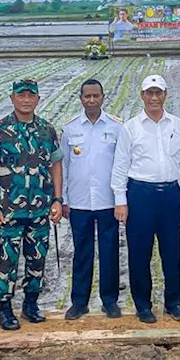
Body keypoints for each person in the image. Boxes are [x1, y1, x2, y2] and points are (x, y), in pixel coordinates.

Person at [111, 74, 180, 322]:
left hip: (170, 194)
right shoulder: (131, 127)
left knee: (172, 251)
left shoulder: (177, 125)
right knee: (139, 253)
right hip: (140, 194)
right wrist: (121, 200)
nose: (154, 98)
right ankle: (143, 305)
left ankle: (173, 302)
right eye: (149, 93)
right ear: (142, 96)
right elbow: (120, 165)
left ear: (165, 95)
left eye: (158, 92)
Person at [0, 79, 64, 331]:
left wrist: (58, 199)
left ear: (37, 99)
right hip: (8, 211)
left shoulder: (46, 130)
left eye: (31, 95)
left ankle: (30, 304)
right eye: (21, 95)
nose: (26, 99)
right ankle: (4, 309)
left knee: (36, 259)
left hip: (39, 209)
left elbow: (56, 164)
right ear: (12, 98)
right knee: (6, 261)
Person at [63, 79, 125, 320]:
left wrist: (121, 199)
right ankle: (79, 302)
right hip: (79, 203)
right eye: (87, 96)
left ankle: (109, 301)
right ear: (81, 98)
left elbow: (121, 165)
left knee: (109, 252)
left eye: (95, 96)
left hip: (107, 201)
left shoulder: (116, 127)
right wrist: (64, 199)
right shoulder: (70, 129)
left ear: (102, 97)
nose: (91, 100)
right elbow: (65, 166)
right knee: (82, 252)